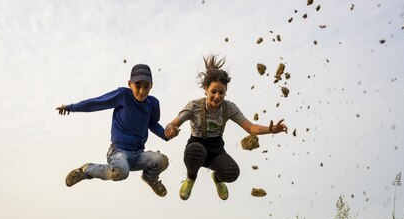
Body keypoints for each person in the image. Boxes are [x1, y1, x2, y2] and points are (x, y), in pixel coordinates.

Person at [164, 55, 288, 201]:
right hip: (196, 149)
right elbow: (171, 124)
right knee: (196, 150)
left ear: (226, 91)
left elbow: (251, 128)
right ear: (206, 89)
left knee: (232, 172)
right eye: (213, 92)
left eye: (221, 92)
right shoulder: (194, 106)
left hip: (216, 150)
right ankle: (190, 178)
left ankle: (217, 178)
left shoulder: (229, 108)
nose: (217, 96)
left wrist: (271, 130)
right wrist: (171, 130)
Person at [56, 64, 179, 197]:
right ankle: (87, 170)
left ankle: (150, 178)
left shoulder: (153, 104)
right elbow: (97, 103)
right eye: (138, 86)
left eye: (146, 86)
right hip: (118, 152)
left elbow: (153, 124)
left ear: (151, 85)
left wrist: (165, 134)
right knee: (120, 172)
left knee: (161, 160)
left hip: (138, 155)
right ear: (129, 84)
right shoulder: (123, 96)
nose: (142, 91)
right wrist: (71, 107)